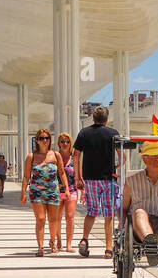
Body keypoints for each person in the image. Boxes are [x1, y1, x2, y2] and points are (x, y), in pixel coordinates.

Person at [73, 105, 121, 258]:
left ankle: (85, 239)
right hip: (108, 178)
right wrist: (117, 166)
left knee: (91, 212)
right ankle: (108, 249)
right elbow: (123, 156)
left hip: (90, 179)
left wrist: (77, 177)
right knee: (108, 214)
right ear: (106, 119)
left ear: (93, 118)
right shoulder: (113, 134)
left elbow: (75, 156)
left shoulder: (84, 133)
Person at [24, 128, 67, 256]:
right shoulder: (31, 156)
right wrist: (23, 193)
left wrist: (67, 189)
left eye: (47, 138)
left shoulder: (55, 155)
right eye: (41, 138)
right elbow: (26, 176)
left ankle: (52, 242)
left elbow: (62, 173)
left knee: (53, 220)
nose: (44, 141)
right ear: (36, 141)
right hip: (36, 192)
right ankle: (40, 247)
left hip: (53, 191)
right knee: (41, 219)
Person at [56, 132, 79, 251]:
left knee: (70, 217)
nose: (65, 144)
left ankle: (69, 244)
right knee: (57, 218)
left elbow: (79, 174)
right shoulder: (55, 157)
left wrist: (83, 189)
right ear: (58, 143)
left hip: (72, 190)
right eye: (62, 141)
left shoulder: (74, 157)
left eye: (67, 141)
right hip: (56, 191)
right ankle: (58, 240)